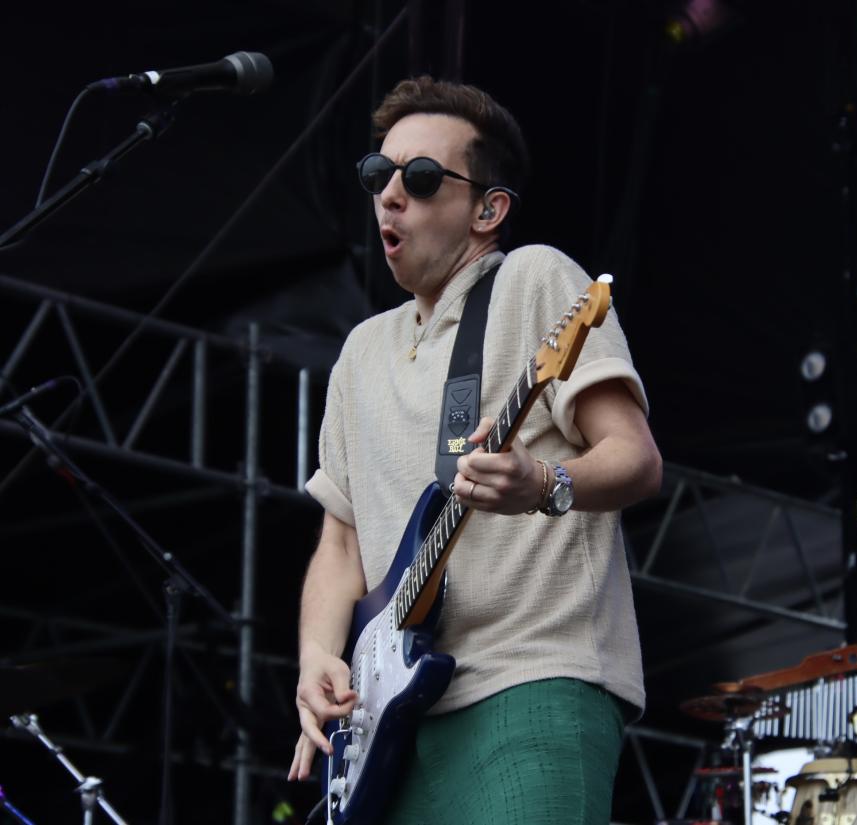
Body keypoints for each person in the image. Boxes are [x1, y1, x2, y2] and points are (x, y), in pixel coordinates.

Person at [285, 75, 662, 824]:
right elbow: (341, 540)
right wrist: (317, 656)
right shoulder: (361, 352)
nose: (391, 195)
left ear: (489, 210)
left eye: (422, 178)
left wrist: (544, 482)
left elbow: (636, 457)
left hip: (531, 681)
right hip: (389, 722)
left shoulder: (534, 278)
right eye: (379, 175)